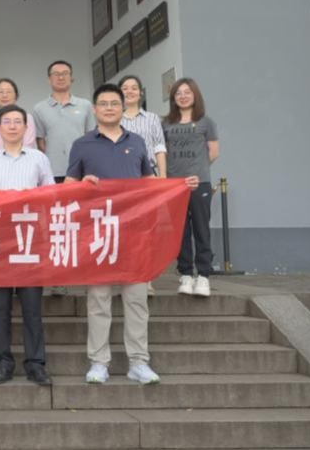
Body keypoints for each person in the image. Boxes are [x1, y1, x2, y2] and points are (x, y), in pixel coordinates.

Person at [64, 83, 161, 385]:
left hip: (134, 232)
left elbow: (149, 182)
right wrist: (83, 186)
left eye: (114, 103)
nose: (109, 108)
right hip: (99, 233)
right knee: (99, 299)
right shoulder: (82, 144)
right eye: (103, 104)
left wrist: (180, 186)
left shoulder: (138, 142)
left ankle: (138, 362)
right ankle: (99, 362)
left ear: (123, 107)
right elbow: (68, 187)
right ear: (94, 109)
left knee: (136, 299)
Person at [0, 104, 54, 386]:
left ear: (26, 127)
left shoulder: (39, 159)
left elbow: (50, 196)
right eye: (6, 121)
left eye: (17, 121)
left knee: (32, 307)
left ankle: (35, 363)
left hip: (30, 242)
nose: (12, 126)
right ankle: (3, 362)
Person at [32, 60, 95, 297]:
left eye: (65, 73)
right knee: (56, 226)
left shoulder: (85, 105)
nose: (60, 77)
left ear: (72, 77)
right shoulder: (39, 109)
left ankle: (87, 274)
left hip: (81, 174)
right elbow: (40, 141)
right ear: (49, 79)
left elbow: (91, 137)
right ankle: (58, 278)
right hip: (54, 174)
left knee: (83, 224)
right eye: (56, 74)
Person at [164, 78, 219, 298]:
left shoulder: (206, 122)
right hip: (174, 185)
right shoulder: (165, 123)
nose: (183, 96)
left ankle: (203, 275)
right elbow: (162, 152)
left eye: (187, 92)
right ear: (173, 98)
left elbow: (213, 152)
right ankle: (186, 274)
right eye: (178, 93)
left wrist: (198, 171)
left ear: (195, 95)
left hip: (199, 183)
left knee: (201, 229)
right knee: (180, 231)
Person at [118, 75, 167, 297]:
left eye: (134, 88)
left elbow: (159, 147)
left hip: (147, 178)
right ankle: (125, 275)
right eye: (125, 88)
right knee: (124, 229)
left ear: (141, 93)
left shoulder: (152, 118)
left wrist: (162, 179)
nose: (129, 91)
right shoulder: (114, 118)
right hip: (121, 180)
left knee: (146, 230)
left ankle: (146, 278)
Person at [0, 78, 37, 152]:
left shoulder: (27, 118)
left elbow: (28, 146)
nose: (4, 95)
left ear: (16, 96)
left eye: (9, 92)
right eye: (0, 92)